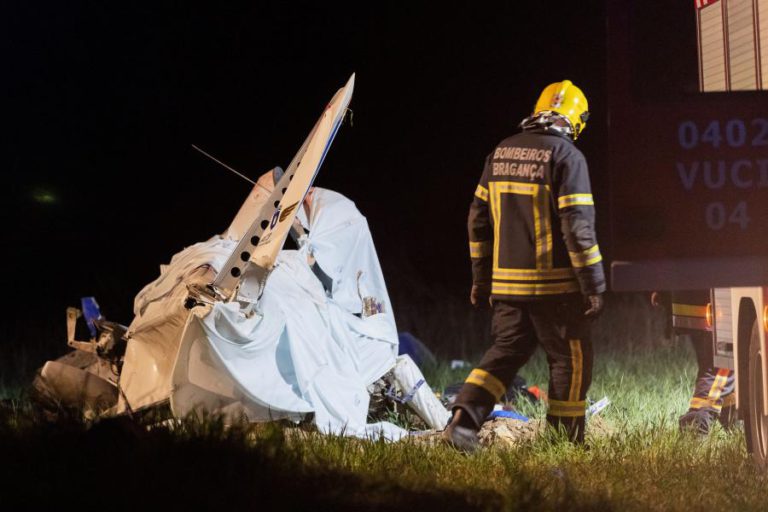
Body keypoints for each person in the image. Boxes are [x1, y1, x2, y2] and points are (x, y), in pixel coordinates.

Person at [443, 80, 606, 450]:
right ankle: (564, 442)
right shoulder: (567, 158)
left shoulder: (499, 153)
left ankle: (463, 422)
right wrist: (593, 284)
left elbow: (477, 221)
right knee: (570, 360)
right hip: (557, 291)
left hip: (506, 289)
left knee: (504, 354)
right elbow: (578, 227)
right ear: (576, 120)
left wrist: (480, 281)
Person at [651, 290, 735, 434]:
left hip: (693, 299)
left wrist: (664, 292)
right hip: (716, 303)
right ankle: (696, 423)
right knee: (721, 367)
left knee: (721, 367)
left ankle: (735, 420)